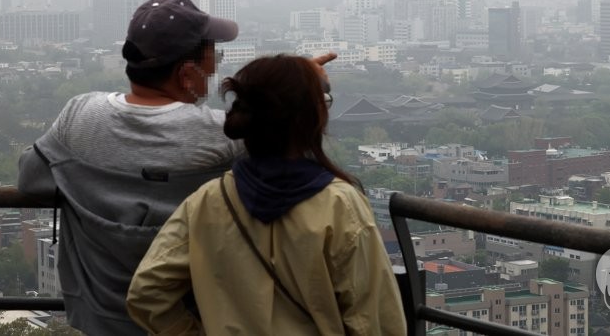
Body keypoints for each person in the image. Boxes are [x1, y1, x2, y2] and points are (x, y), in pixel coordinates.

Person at [18, 0, 335, 335]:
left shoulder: (78, 118)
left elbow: (31, 180)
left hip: (99, 322)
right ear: (187, 73)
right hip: (188, 322)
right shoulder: (223, 137)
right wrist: (305, 88)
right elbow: (296, 173)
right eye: (215, 57)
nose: (215, 69)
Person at [126, 55, 405, 335]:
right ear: (311, 118)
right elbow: (377, 321)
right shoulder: (340, 206)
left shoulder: (209, 200)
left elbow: (146, 292)